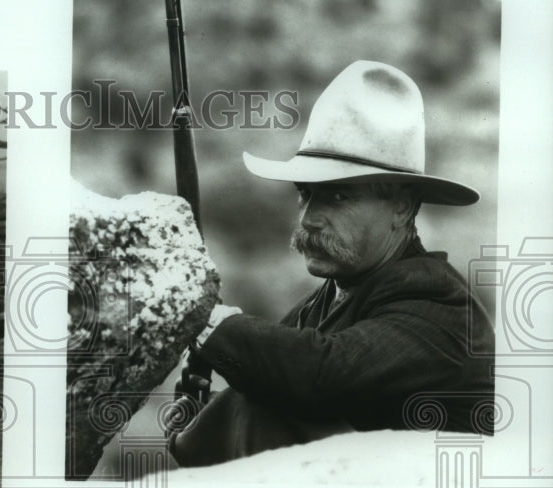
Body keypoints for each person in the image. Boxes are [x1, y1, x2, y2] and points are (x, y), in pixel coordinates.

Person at [171, 61, 495, 467]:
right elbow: (277, 377)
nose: (308, 218)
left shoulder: (438, 304)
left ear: (402, 206)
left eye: (337, 197)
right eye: (305, 194)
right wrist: (194, 414)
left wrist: (208, 321)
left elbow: (317, 377)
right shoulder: (335, 294)